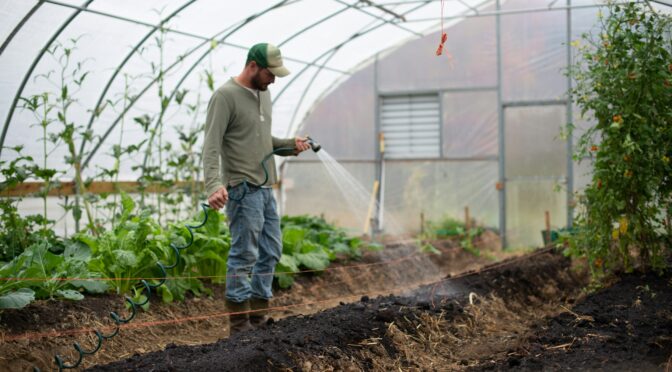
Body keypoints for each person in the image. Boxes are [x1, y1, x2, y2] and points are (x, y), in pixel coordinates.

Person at [202, 42, 311, 335]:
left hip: (265, 188)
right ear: (253, 66)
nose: (273, 79)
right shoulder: (225, 97)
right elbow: (211, 145)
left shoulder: (264, 95)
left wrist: (291, 145)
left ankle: (259, 320)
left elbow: (263, 141)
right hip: (242, 188)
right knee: (244, 254)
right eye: (270, 73)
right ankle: (239, 327)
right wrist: (213, 184)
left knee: (272, 250)